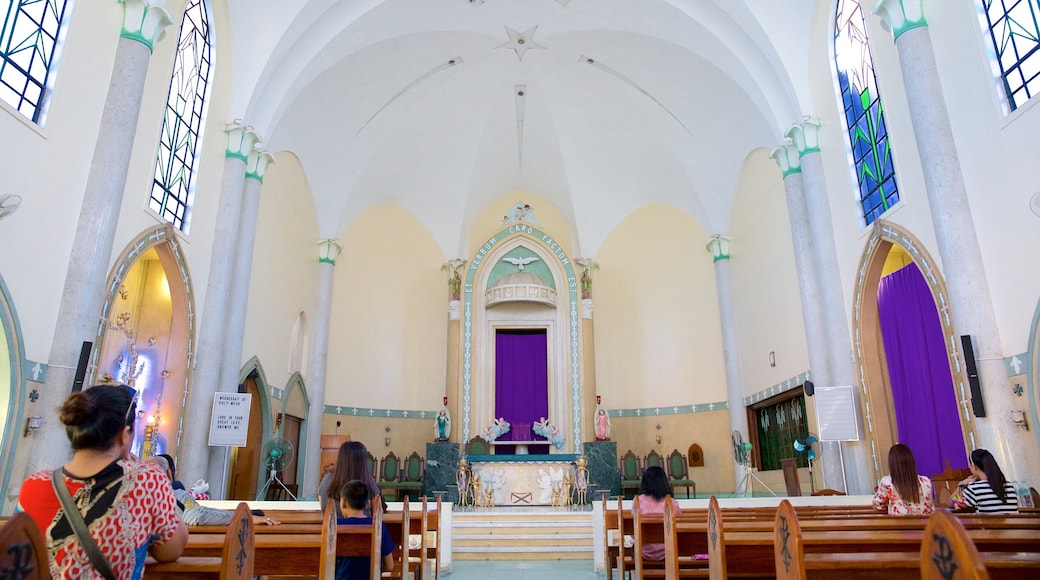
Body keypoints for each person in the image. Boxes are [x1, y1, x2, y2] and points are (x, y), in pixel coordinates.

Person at [17, 384, 187, 579]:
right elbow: (172, 550)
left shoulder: (33, 485)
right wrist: (159, 486)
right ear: (124, 435)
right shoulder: (146, 482)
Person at [149, 455, 280, 527]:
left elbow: (199, 511)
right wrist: (246, 518)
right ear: (169, 474)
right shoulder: (178, 496)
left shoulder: (137, 496)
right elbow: (200, 516)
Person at [336, 480, 395, 579]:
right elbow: (390, 566)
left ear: (343, 503)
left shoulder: (335, 526)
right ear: (367, 504)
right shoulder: (379, 526)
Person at [318, 441, 386, 518]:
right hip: (362, 529)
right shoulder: (367, 481)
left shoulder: (327, 479)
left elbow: (323, 506)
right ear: (363, 462)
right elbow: (378, 512)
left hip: (332, 528)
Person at [631, 466, 681, 561]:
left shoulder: (638, 502)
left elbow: (633, 533)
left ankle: (636, 574)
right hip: (668, 552)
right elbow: (678, 528)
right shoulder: (671, 503)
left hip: (644, 552)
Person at [871, 443, 935, 515]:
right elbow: (931, 506)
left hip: (899, 525)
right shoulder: (926, 481)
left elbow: (877, 505)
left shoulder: (887, 482)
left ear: (892, 464)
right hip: (925, 524)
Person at [951, 448, 1018, 514]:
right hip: (1013, 524)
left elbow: (952, 503)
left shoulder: (974, 488)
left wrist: (962, 483)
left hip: (991, 525)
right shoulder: (1009, 486)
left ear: (974, 467)